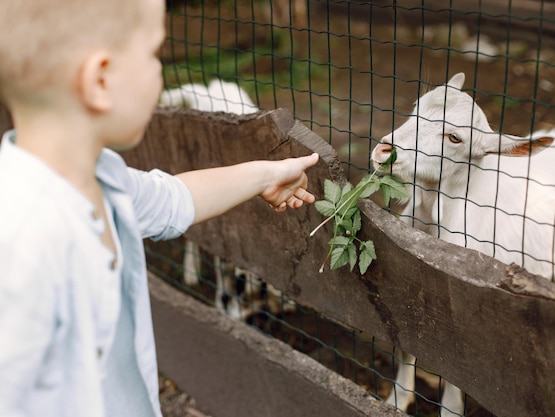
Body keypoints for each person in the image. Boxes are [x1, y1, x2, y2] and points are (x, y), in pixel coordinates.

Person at [0, 0, 319, 416]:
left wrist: (264, 175)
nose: (160, 70)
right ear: (100, 80)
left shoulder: (99, 176)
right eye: (153, 54)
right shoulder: (25, 236)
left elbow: (173, 199)